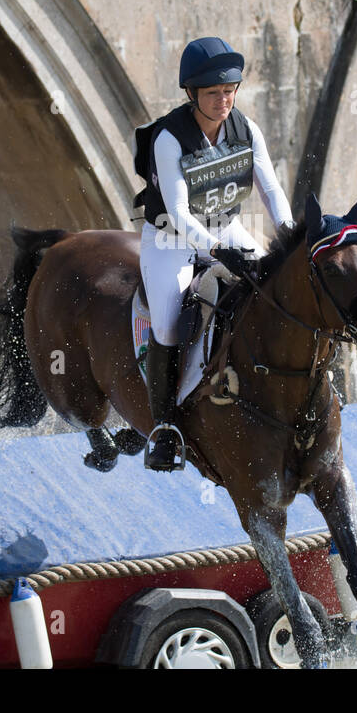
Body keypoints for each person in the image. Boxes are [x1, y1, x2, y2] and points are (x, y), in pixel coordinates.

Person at [132, 37, 294, 470]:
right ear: (191, 95)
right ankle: (165, 428)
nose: (224, 101)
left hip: (227, 226)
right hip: (171, 240)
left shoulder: (246, 129)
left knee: (276, 289)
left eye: (229, 91)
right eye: (213, 94)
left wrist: (292, 234)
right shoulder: (170, 138)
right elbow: (182, 215)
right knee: (167, 323)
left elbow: (271, 188)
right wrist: (220, 251)